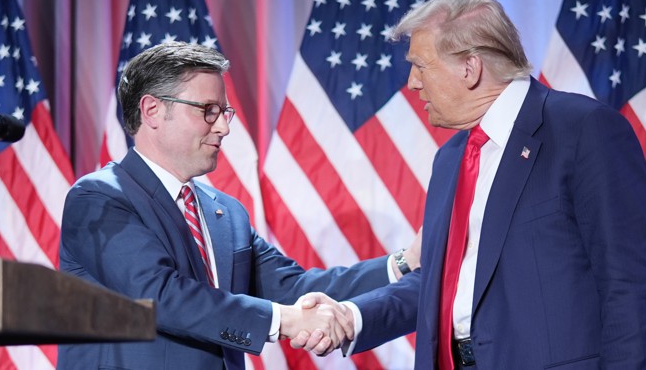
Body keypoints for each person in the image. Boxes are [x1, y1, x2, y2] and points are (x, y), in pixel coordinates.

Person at [296, 0, 646, 369]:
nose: (411, 83)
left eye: (421, 66)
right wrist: (351, 316)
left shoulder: (581, 130)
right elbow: (443, 283)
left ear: (470, 68)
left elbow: (630, 287)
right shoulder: (452, 157)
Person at [57, 41, 420, 369]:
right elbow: (160, 296)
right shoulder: (99, 198)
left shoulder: (225, 214)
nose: (223, 128)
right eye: (208, 110)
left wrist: (402, 263)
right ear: (152, 110)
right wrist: (286, 321)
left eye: (224, 112)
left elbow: (294, 288)